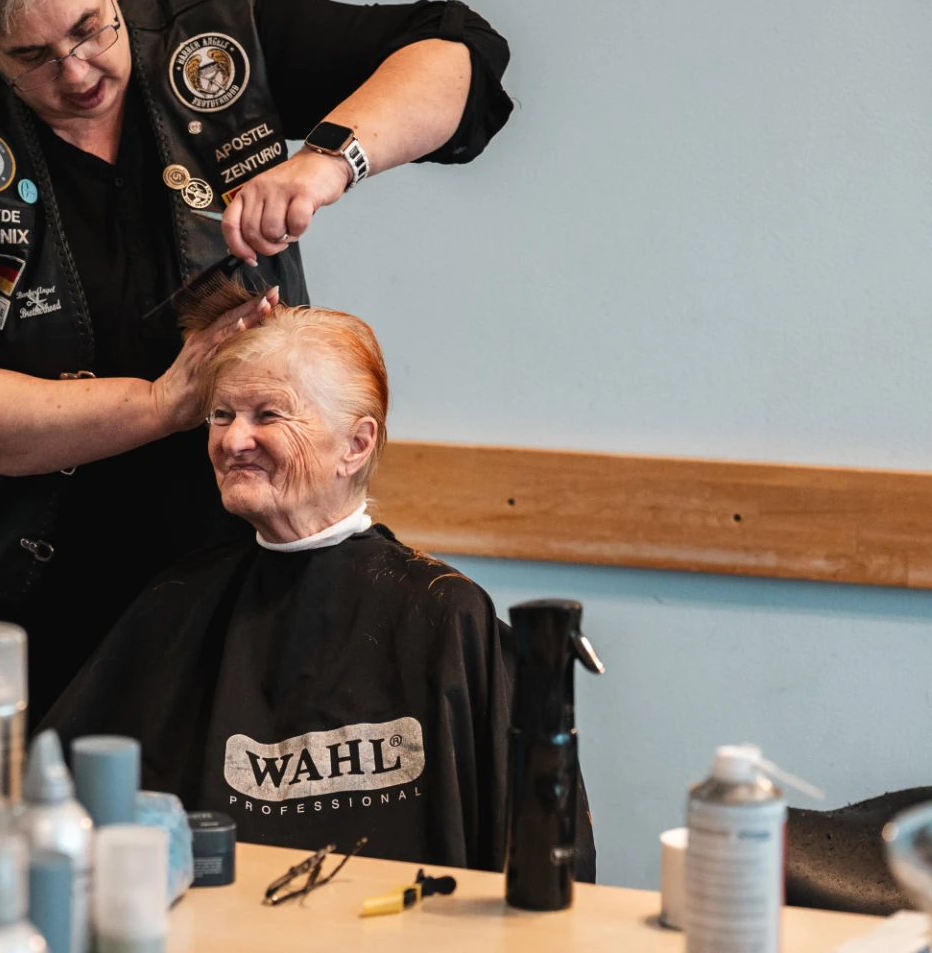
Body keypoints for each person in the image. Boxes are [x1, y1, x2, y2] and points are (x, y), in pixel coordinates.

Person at [0, 0, 514, 730]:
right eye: (32, 56)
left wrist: (326, 161)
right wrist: (163, 403)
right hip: (32, 589)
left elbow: (456, 50)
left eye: (87, 29)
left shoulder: (218, 43)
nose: (78, 70)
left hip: (241, 564)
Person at [40, 301, 594, 875]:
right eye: (222, 414)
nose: (233, 441)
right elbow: (59, 819)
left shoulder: (446, 615)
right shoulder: (174, 606)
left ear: (355, 445)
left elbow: (544, 862)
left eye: (268, 415)